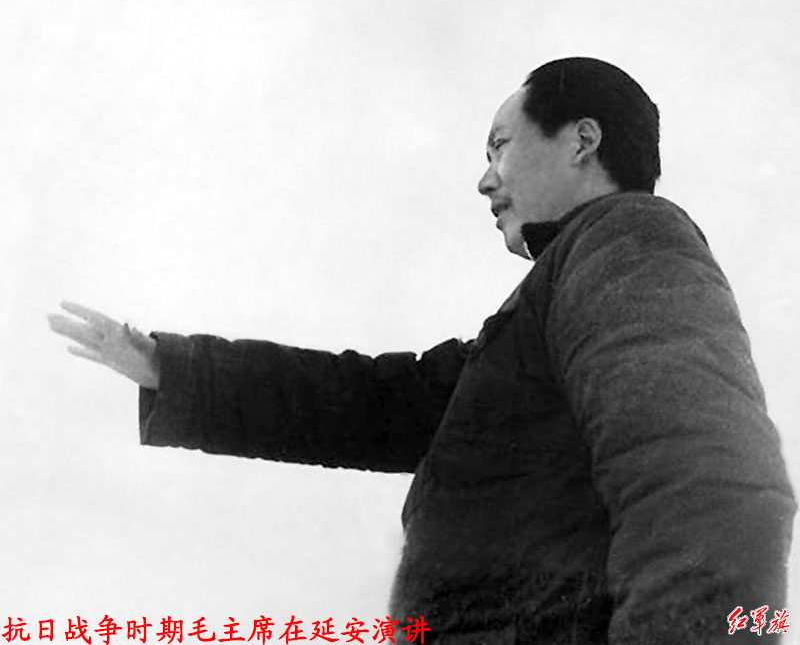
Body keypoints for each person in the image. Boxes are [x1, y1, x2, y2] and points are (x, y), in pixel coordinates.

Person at [49, 57, 795, 644]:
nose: (485, 180)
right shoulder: (553, 307)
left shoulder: (632, 241)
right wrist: (174, 370)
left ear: (582, 140)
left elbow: (716, 492)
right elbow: (375, 403)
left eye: (500, 146)